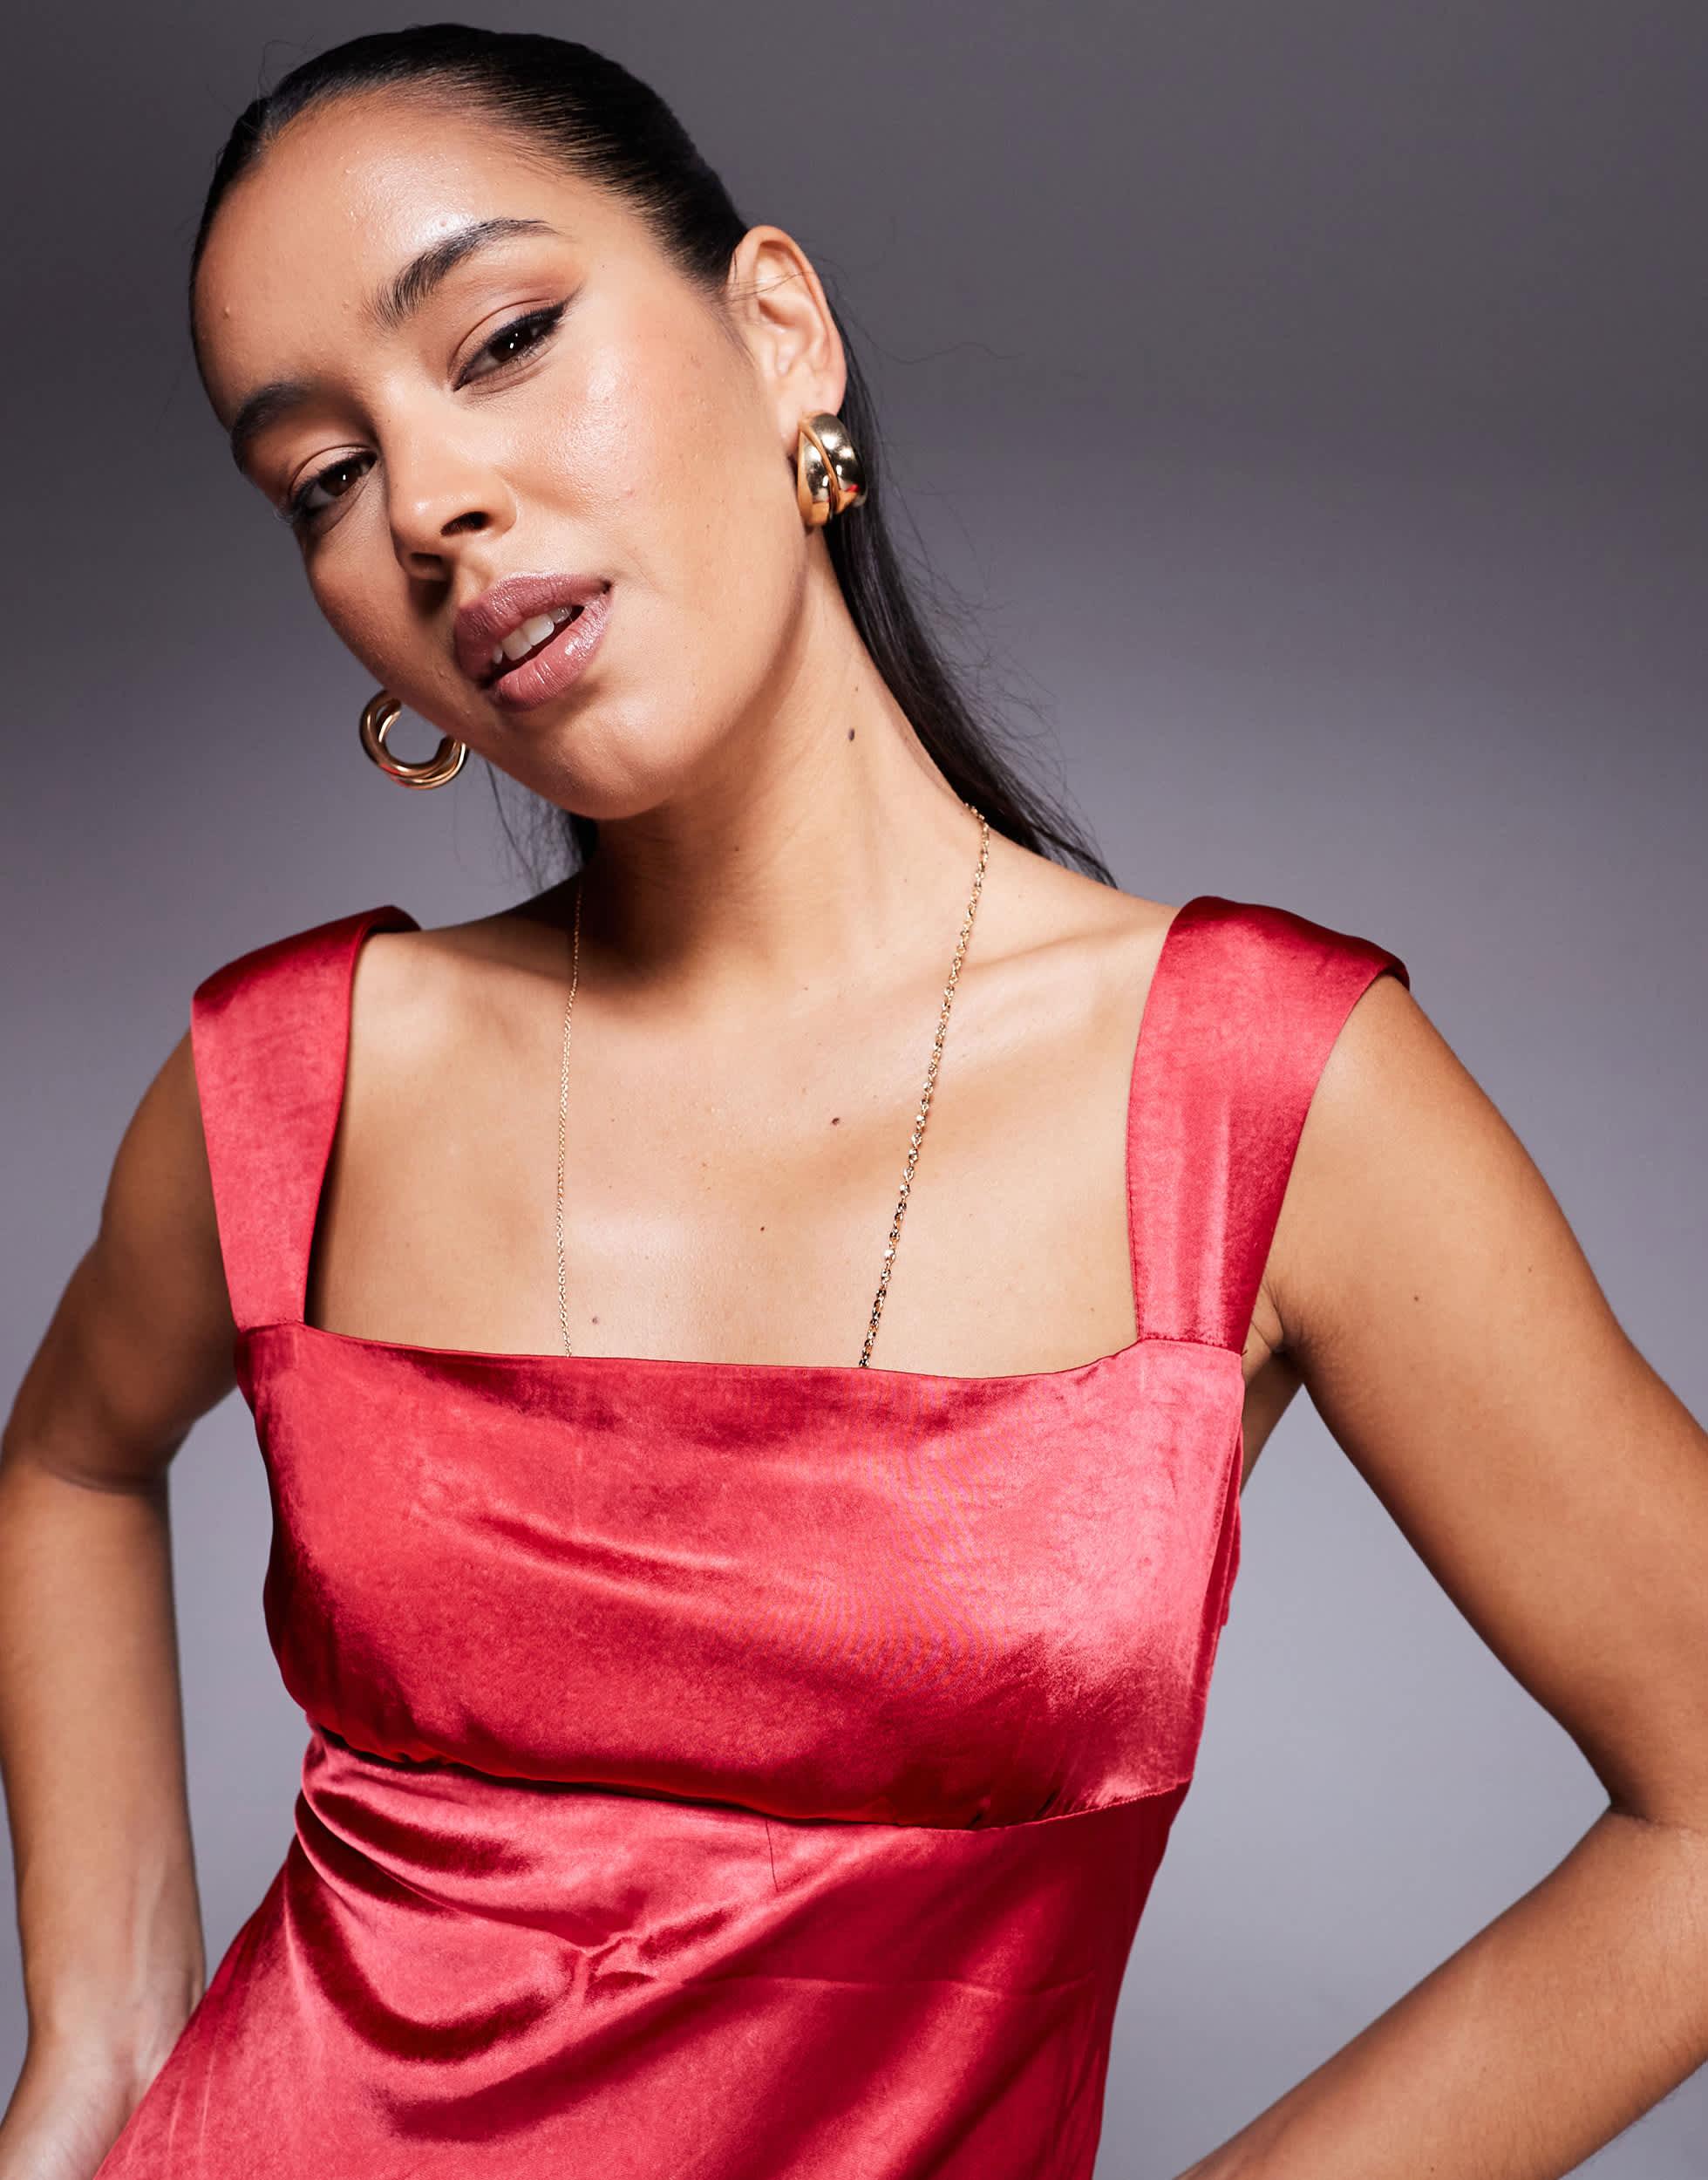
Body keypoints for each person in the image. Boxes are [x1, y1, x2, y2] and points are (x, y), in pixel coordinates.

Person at [3, 23, 1705, 2180]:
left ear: (780, 333)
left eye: (502, 340)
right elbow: (67, 1455)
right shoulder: (298, 1074)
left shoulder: (1253, 1092)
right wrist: (94, 2047)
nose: (424, 505)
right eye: (323, 479)